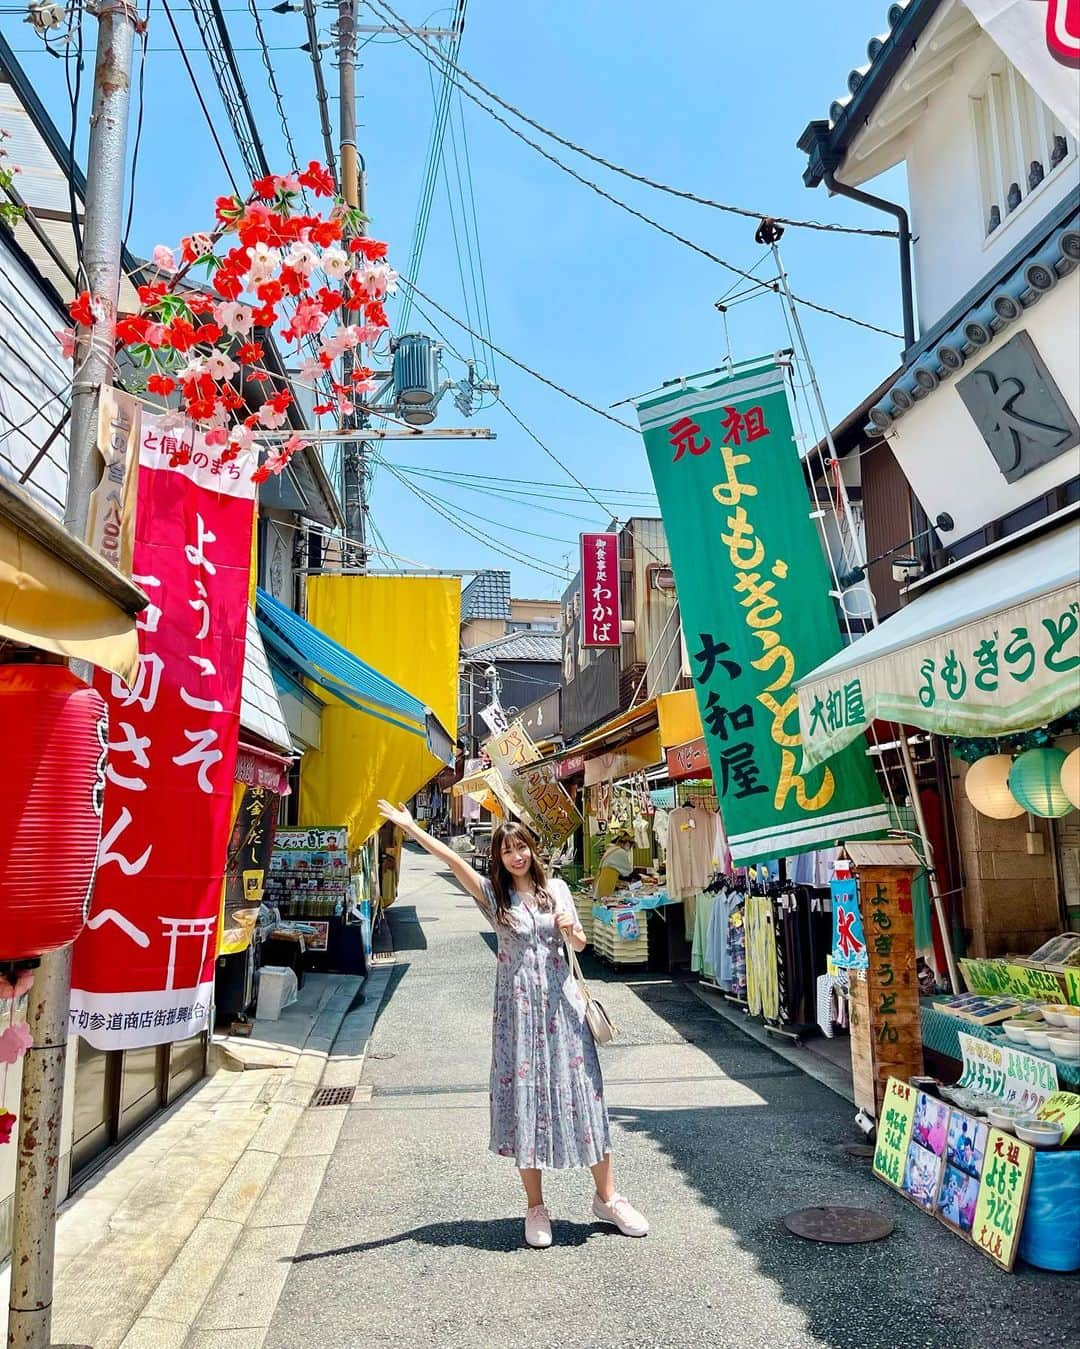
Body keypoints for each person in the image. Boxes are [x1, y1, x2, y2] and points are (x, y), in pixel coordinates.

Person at [377, 800, 650, 1249]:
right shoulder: (494, 897)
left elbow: (579, 946)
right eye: (508, 851)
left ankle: (608, 1198)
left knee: (583, 1095)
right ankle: (535, 1207)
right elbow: (450, 859)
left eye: (522, 847)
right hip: (518, 1018)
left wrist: (569, 929)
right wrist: (410, 828)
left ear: (532, 851)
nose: (517, 856)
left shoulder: (558, 890)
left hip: (564, 1012)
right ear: (499, 859)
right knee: (526, 1103)